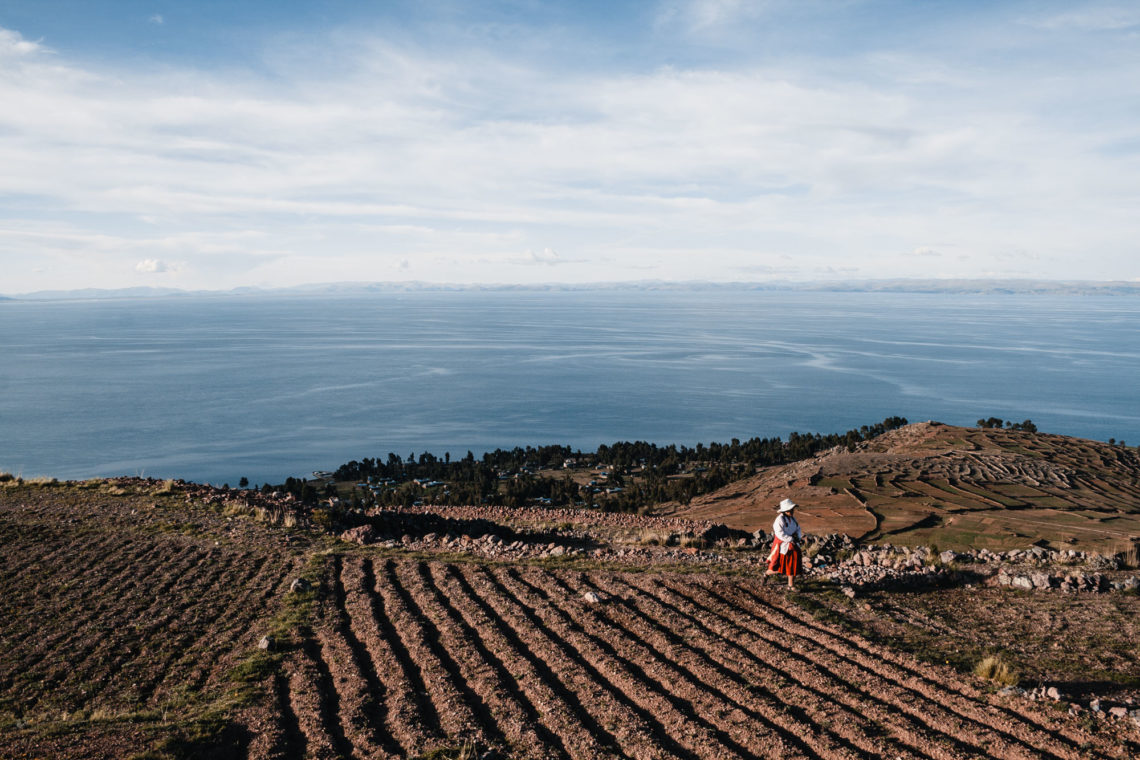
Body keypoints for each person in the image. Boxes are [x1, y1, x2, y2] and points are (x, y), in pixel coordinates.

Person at [766, 498, 802, 589]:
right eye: (790, 510)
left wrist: (798, 537)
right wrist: (790, 539)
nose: (792, 511)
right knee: (780, 567)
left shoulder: (793, 519)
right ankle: (767, 574)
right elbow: (779, 533)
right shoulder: (779, 520)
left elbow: (798, 529)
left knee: (793, 566)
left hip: (793, 544)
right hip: (783, 545)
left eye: (792, 509)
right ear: (785, 511)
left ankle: (790, 585)